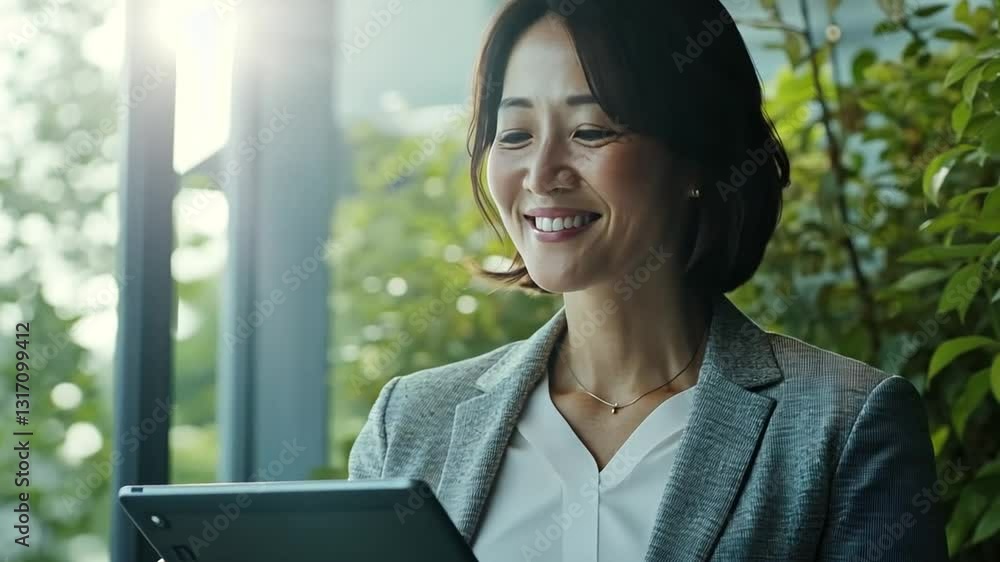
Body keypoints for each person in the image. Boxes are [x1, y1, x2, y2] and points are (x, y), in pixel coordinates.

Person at [347, 1, 949, 561]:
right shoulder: (409, 424)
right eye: (515, 134)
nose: (541, 172)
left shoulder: (843, 425)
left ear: (694, 154)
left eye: (590, 131)